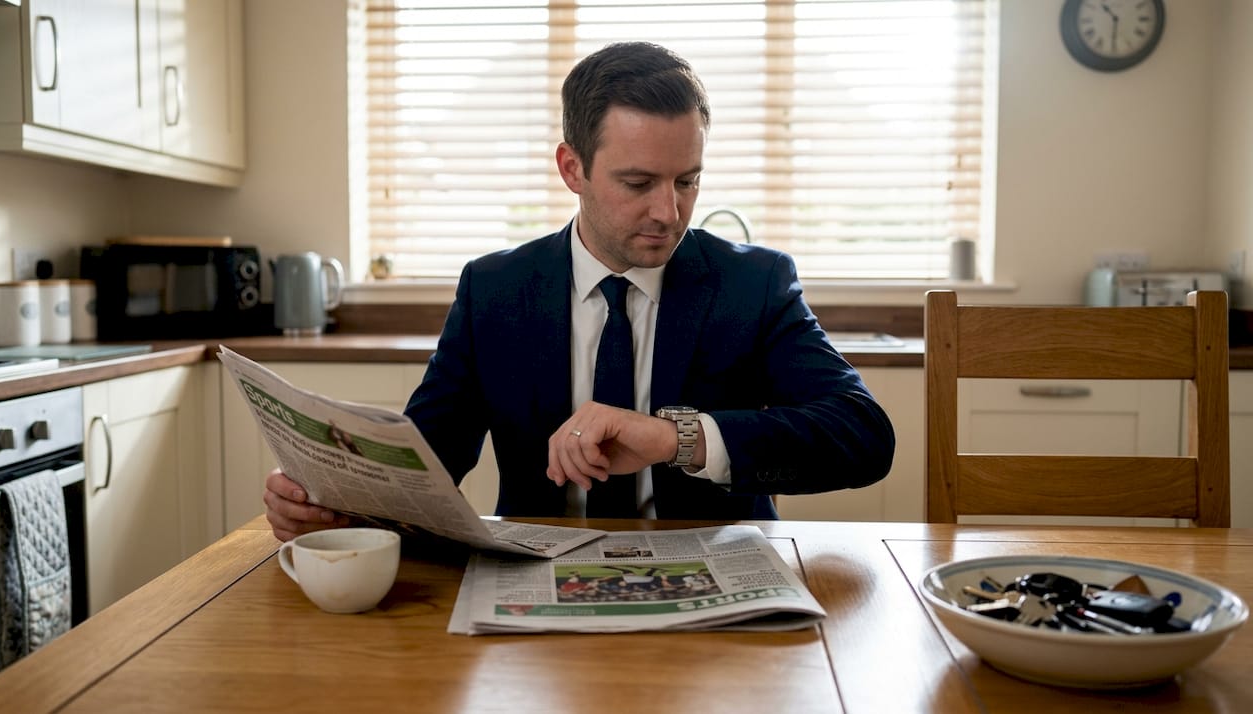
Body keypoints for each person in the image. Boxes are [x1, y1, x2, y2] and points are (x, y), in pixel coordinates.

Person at [264, 41, 895, 542]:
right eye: (639, 182)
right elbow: (427, 461)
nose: (669, 213)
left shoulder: (753, 284)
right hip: (533, 588)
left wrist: (676, 438)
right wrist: (336, 506)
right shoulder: (494, 290)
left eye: (688, 181)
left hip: (719, 587)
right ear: (573, 169)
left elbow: (864, 436)